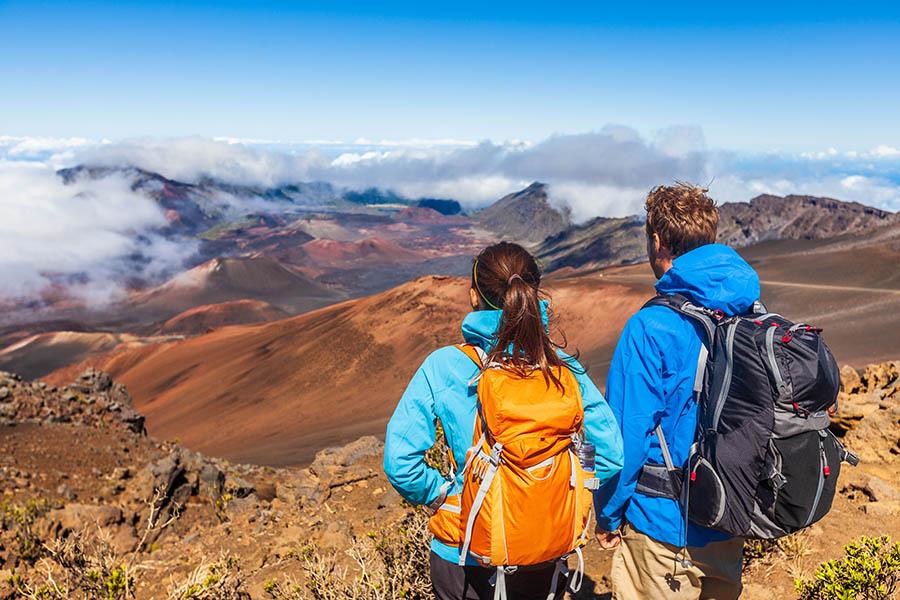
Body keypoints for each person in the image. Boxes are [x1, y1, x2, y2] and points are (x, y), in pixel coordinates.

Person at [384, 241, 624, 600]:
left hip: (463, 548)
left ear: (473, 296)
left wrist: (442, 496)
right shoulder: (562, 369)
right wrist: (559, 491)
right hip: (541, 549)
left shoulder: (443, 366)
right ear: (533, 294)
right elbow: (609, 454)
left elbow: (400, 463)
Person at [596, 183, 758, 600]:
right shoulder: (745, 310)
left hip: (662, 530)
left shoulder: (650, 327)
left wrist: (609, 514)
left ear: (656, 241)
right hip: (728, 517)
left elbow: (627, 437)